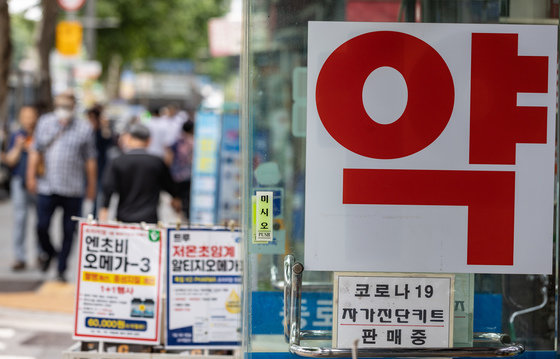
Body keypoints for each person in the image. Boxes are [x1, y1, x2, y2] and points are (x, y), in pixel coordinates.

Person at [27, 91, 97, 282]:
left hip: (73, 188)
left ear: (74, 107)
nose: (63, 110)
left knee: (69, 230)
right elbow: (35, 151)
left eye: (67, 107)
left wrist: (91, 185)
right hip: (47, 186)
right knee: (41, 226)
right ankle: (49, 252)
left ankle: (61, 267)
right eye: (60, 106)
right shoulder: (45, 122)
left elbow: (90, 159)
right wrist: (30, 176)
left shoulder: (84, 128)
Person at [99, 123, 181, 224]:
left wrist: (103, 213)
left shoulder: (118, 162)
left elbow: (108, 189)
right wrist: (176, 201)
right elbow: (171, 187)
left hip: (124, 218)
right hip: (149, 220)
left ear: (128, 138)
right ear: (149, 141)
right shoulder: (157, 162)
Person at [3, 105, 40, 271]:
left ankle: (41, 254)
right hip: (19, 181)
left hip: (40, 182)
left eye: (31, 116)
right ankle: (20, 257)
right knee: (20, 219)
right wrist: (19, 147)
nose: (28, 120)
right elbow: (9, 159)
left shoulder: (41, 134)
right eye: (24, 116)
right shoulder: (16, 135)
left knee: (41, 220)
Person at [86, 104, 113, 216]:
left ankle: (94, 216)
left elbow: (109, 142)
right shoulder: (84, 131)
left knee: (98, 194)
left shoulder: (102, 131)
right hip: (85, 167)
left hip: (100, 166)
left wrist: (105, 127)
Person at [168, 120, 194, 220]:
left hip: (176, 174)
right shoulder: (194, 141)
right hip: (189, 175)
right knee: (187, 198)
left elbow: (169, 157)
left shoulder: (177, 141)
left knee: (178, 197)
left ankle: (180, 215)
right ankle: (186, 215)